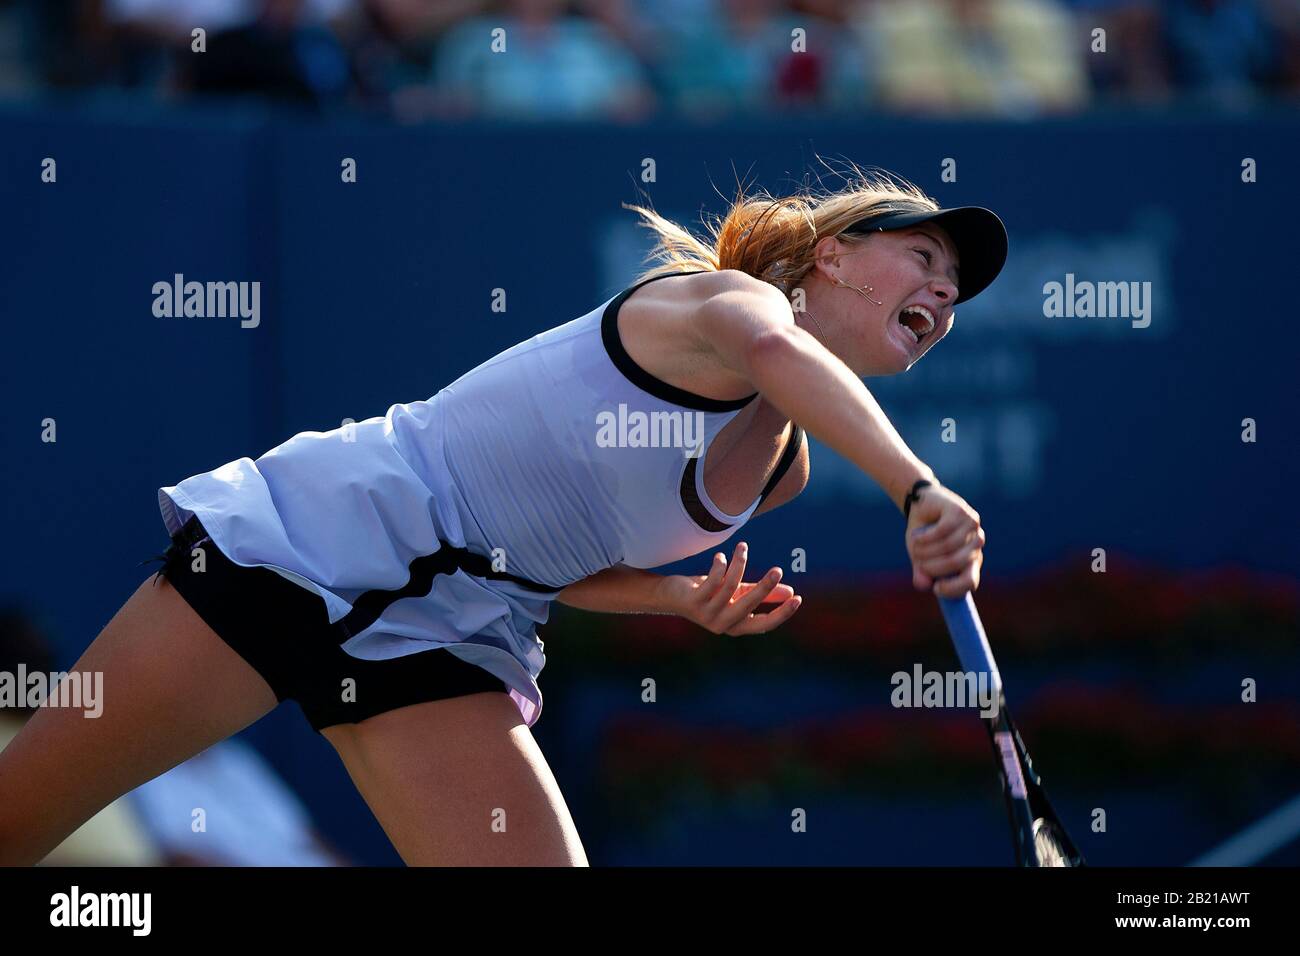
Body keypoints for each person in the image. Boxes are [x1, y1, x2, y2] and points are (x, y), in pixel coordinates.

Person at [0, 166, 1004, 867]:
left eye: (953, 291)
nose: (941, 291)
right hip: (313, 542)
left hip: (448, 642)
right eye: (922, 257)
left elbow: (549, 561)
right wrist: (916, 488)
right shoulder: (723, 307)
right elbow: (781, 358)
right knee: (17, 821)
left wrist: (676, 601)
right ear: (831, 255)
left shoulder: (779, 470)